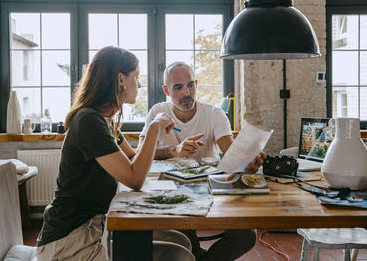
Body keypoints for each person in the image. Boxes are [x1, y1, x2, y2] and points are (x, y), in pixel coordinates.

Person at [36, 47, 195, 261]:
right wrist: (154, 128)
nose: (139, 84)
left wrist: (172, 149)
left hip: (97, 226)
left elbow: (132, 158)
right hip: (70, 240)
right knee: (179, 256)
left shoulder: (104, 121)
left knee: (182, 242)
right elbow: (134, 178)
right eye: (136, 76)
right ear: (121, 79)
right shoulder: (89, 121)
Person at [138, 62, 265, 261]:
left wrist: (247, 162)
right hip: (170, 194)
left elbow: (231, 153)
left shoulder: (214, 114)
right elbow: (141, 152)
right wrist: (175, 150)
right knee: (183, 235)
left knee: (246, 236)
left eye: (191, 85)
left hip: (211, 192)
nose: (187, 92)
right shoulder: (158, 112)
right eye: (178, 87)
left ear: (196, 83)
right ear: (166, 90)